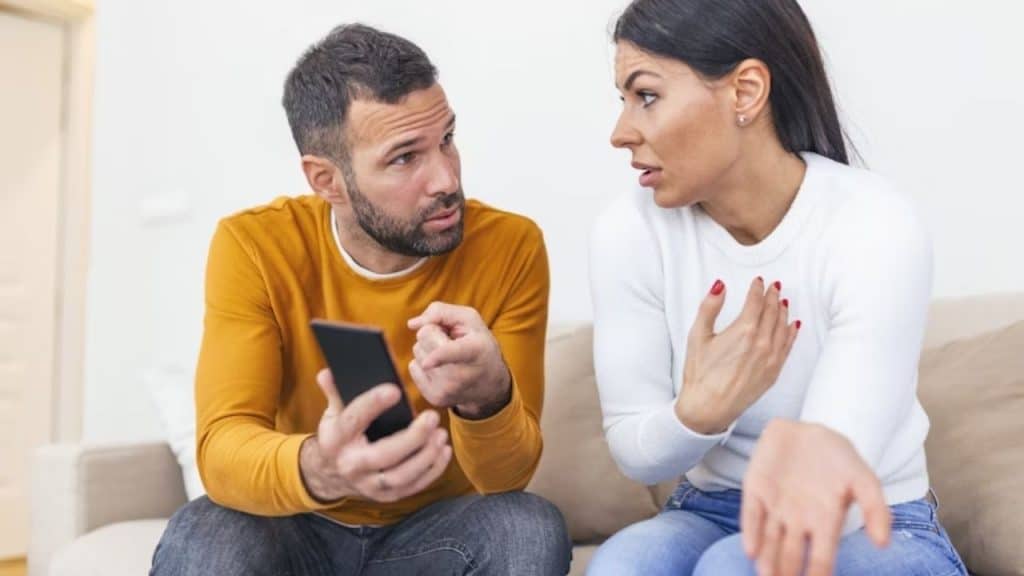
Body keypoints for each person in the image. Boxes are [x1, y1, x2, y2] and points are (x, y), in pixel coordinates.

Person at [150, 23, 571, 576]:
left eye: (446, 138)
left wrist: (488, 398)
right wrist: (319, 468)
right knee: (205, 528)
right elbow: (223, 449)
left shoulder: (511, 246)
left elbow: (504, 479)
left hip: (432, 534)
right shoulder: (255, 246)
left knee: (528, 526)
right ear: (327, 181)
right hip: (298, 524)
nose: (445, 178)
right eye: (404, 158)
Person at [586, 0, 967, 574]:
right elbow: (634, 451)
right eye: (624, 100)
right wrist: (699, 414)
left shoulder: (873, 224)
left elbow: (830, 458)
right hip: (708, 509)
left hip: (869, 520)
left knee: (735, 567)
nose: (620, 133)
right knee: (625, 564)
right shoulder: (630, 231)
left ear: (744, 92)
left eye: (647, 96)